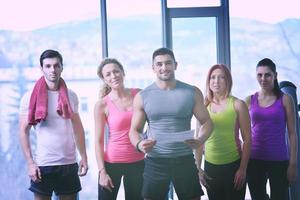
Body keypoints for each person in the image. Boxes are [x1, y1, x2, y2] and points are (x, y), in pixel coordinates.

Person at [129, 47, 213, 200]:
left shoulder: (192, 92)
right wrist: (140, 144)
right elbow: (134, 130)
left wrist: (200, 140)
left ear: (176, 65)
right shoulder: (142, 96)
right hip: (155, 161)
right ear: (153, 68)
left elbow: (207, 122)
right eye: (159, 64)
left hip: (185, 158)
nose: (164, 67)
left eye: (168, 63)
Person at [19, 49, 88, 200]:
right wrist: (30, 163)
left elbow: (78, 129)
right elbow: (23, 131)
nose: (53, 70)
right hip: (43, 165)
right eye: (48, 66)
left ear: (62, 67)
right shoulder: (29, 97)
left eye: (56, 65)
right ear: (41, 68)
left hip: (69, 164)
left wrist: (84, 157)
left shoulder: (71, 95)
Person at [195, 64, 251, 200]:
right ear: (208, 81)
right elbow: (198, 140)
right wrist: (198, 168)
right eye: (213, 77)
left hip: (233, 167)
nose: (216, 81)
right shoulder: (203, 106)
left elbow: (248, 139)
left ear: (228, 81)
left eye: (221, 77)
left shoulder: (238, 104)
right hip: (210, 169)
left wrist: (242, 169)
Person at [245, 58, 298, 200]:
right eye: (259, 75)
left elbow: (292, 134)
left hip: (279, 161)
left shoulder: (286, 99)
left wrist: (293, 164)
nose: (263, 79)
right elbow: (239, 130)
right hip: (254, 159)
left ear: (275, 75)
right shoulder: (249, 100)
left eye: (267, 74)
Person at [94, 58, 145, 200]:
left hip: (138, 162)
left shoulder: (139, 95)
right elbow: (98, 141)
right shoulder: (101, 105)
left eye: (116, 71)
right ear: (104, 79)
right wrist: (102, 172)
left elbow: (154, 120)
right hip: (111, 164)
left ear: (123, 72)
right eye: (108, 74)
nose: (113, 76)